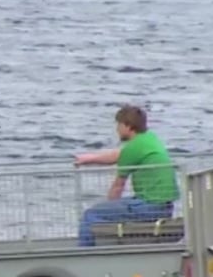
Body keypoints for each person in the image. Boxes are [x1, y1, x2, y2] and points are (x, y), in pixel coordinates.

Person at [73, 105, 179, 246]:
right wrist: (89, 159)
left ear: (128, 126)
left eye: (119, 125)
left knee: (91, 215)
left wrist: (110, 208)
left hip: (149, 208)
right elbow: (120, 155)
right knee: (115, 207)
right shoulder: (148, 139)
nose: (117, 129)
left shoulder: (133, 148)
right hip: (164, 207)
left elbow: (118, 187)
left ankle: (85, 256)